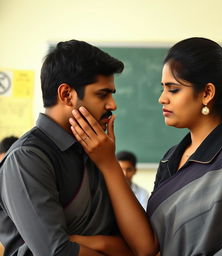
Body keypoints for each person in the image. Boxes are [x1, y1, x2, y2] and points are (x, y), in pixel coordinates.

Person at [69, 37, 222, 256]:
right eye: (163, 88)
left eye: (173, 90)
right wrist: (108, 162)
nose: (162, 99)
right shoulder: (171, 159)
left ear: (207, 93)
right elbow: (149, 245)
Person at [0, 40, 157, 256]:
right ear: (66, 95)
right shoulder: (27, 158)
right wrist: (112, 247)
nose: (113, 105)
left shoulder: (96, 151)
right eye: (103, 94)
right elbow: (57, 252)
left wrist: (109, 164)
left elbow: (144, 247)